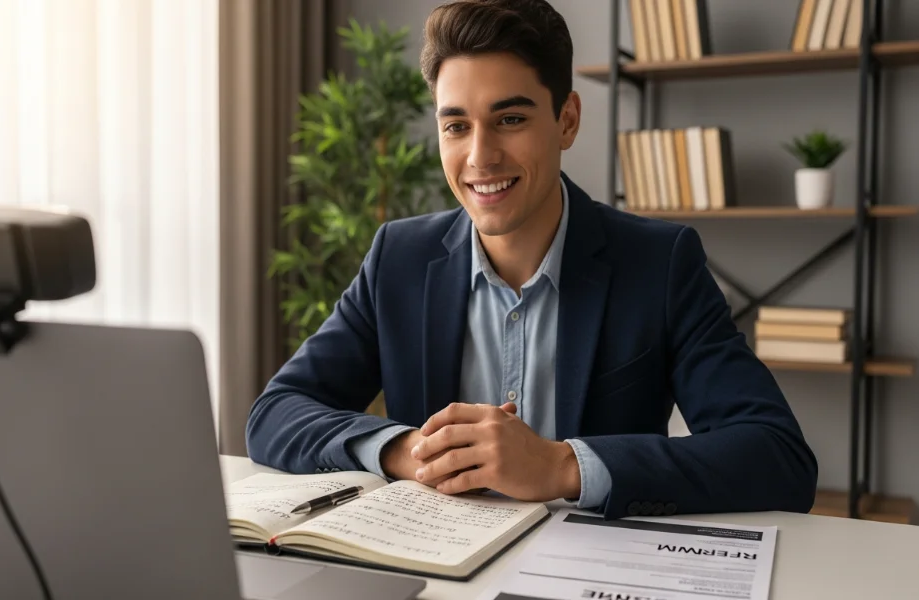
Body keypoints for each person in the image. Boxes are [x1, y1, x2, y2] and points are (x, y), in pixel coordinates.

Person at [246, 0, 817, 520]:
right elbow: (276, 413)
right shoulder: (399, 257)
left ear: (567, 119)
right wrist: (405, 450)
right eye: (456, 126)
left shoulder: (660, 262)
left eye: (510, 119)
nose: (480, 156)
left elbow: (777, 455)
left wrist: (561, 466)